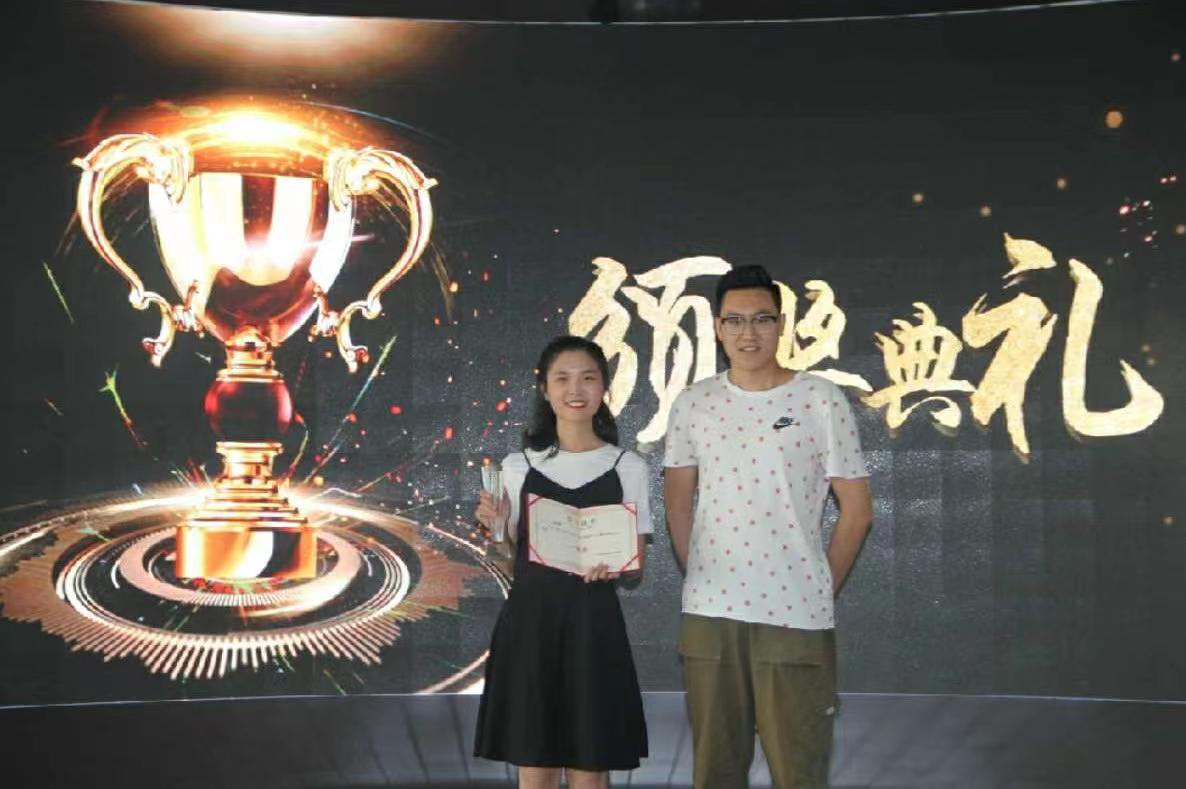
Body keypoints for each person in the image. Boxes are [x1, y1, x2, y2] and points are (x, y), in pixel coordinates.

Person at [663, 264, 873, 788]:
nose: (748, 333)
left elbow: (857, 510)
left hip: (795, 614)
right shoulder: (694, 403)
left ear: (781, 324)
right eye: (734, 320)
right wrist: (703, 572)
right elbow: (677, 503)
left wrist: (817, 583)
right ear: (717, 327)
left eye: (762, 319)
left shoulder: (820, 398)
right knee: (715, 771)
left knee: (799, 772)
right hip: (711, 614)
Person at [474, 335, 650, 789]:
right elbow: (507, 560)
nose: (576, 390)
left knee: (592, 767)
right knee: (535, 768)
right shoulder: (517, 466)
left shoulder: (628, 467)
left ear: (604, 387)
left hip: (594, 628)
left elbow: (636, 569)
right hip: (531, 626)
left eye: (588, 378)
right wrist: (497, 528)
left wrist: (616, 566)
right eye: (563, 379)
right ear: (545, 389)